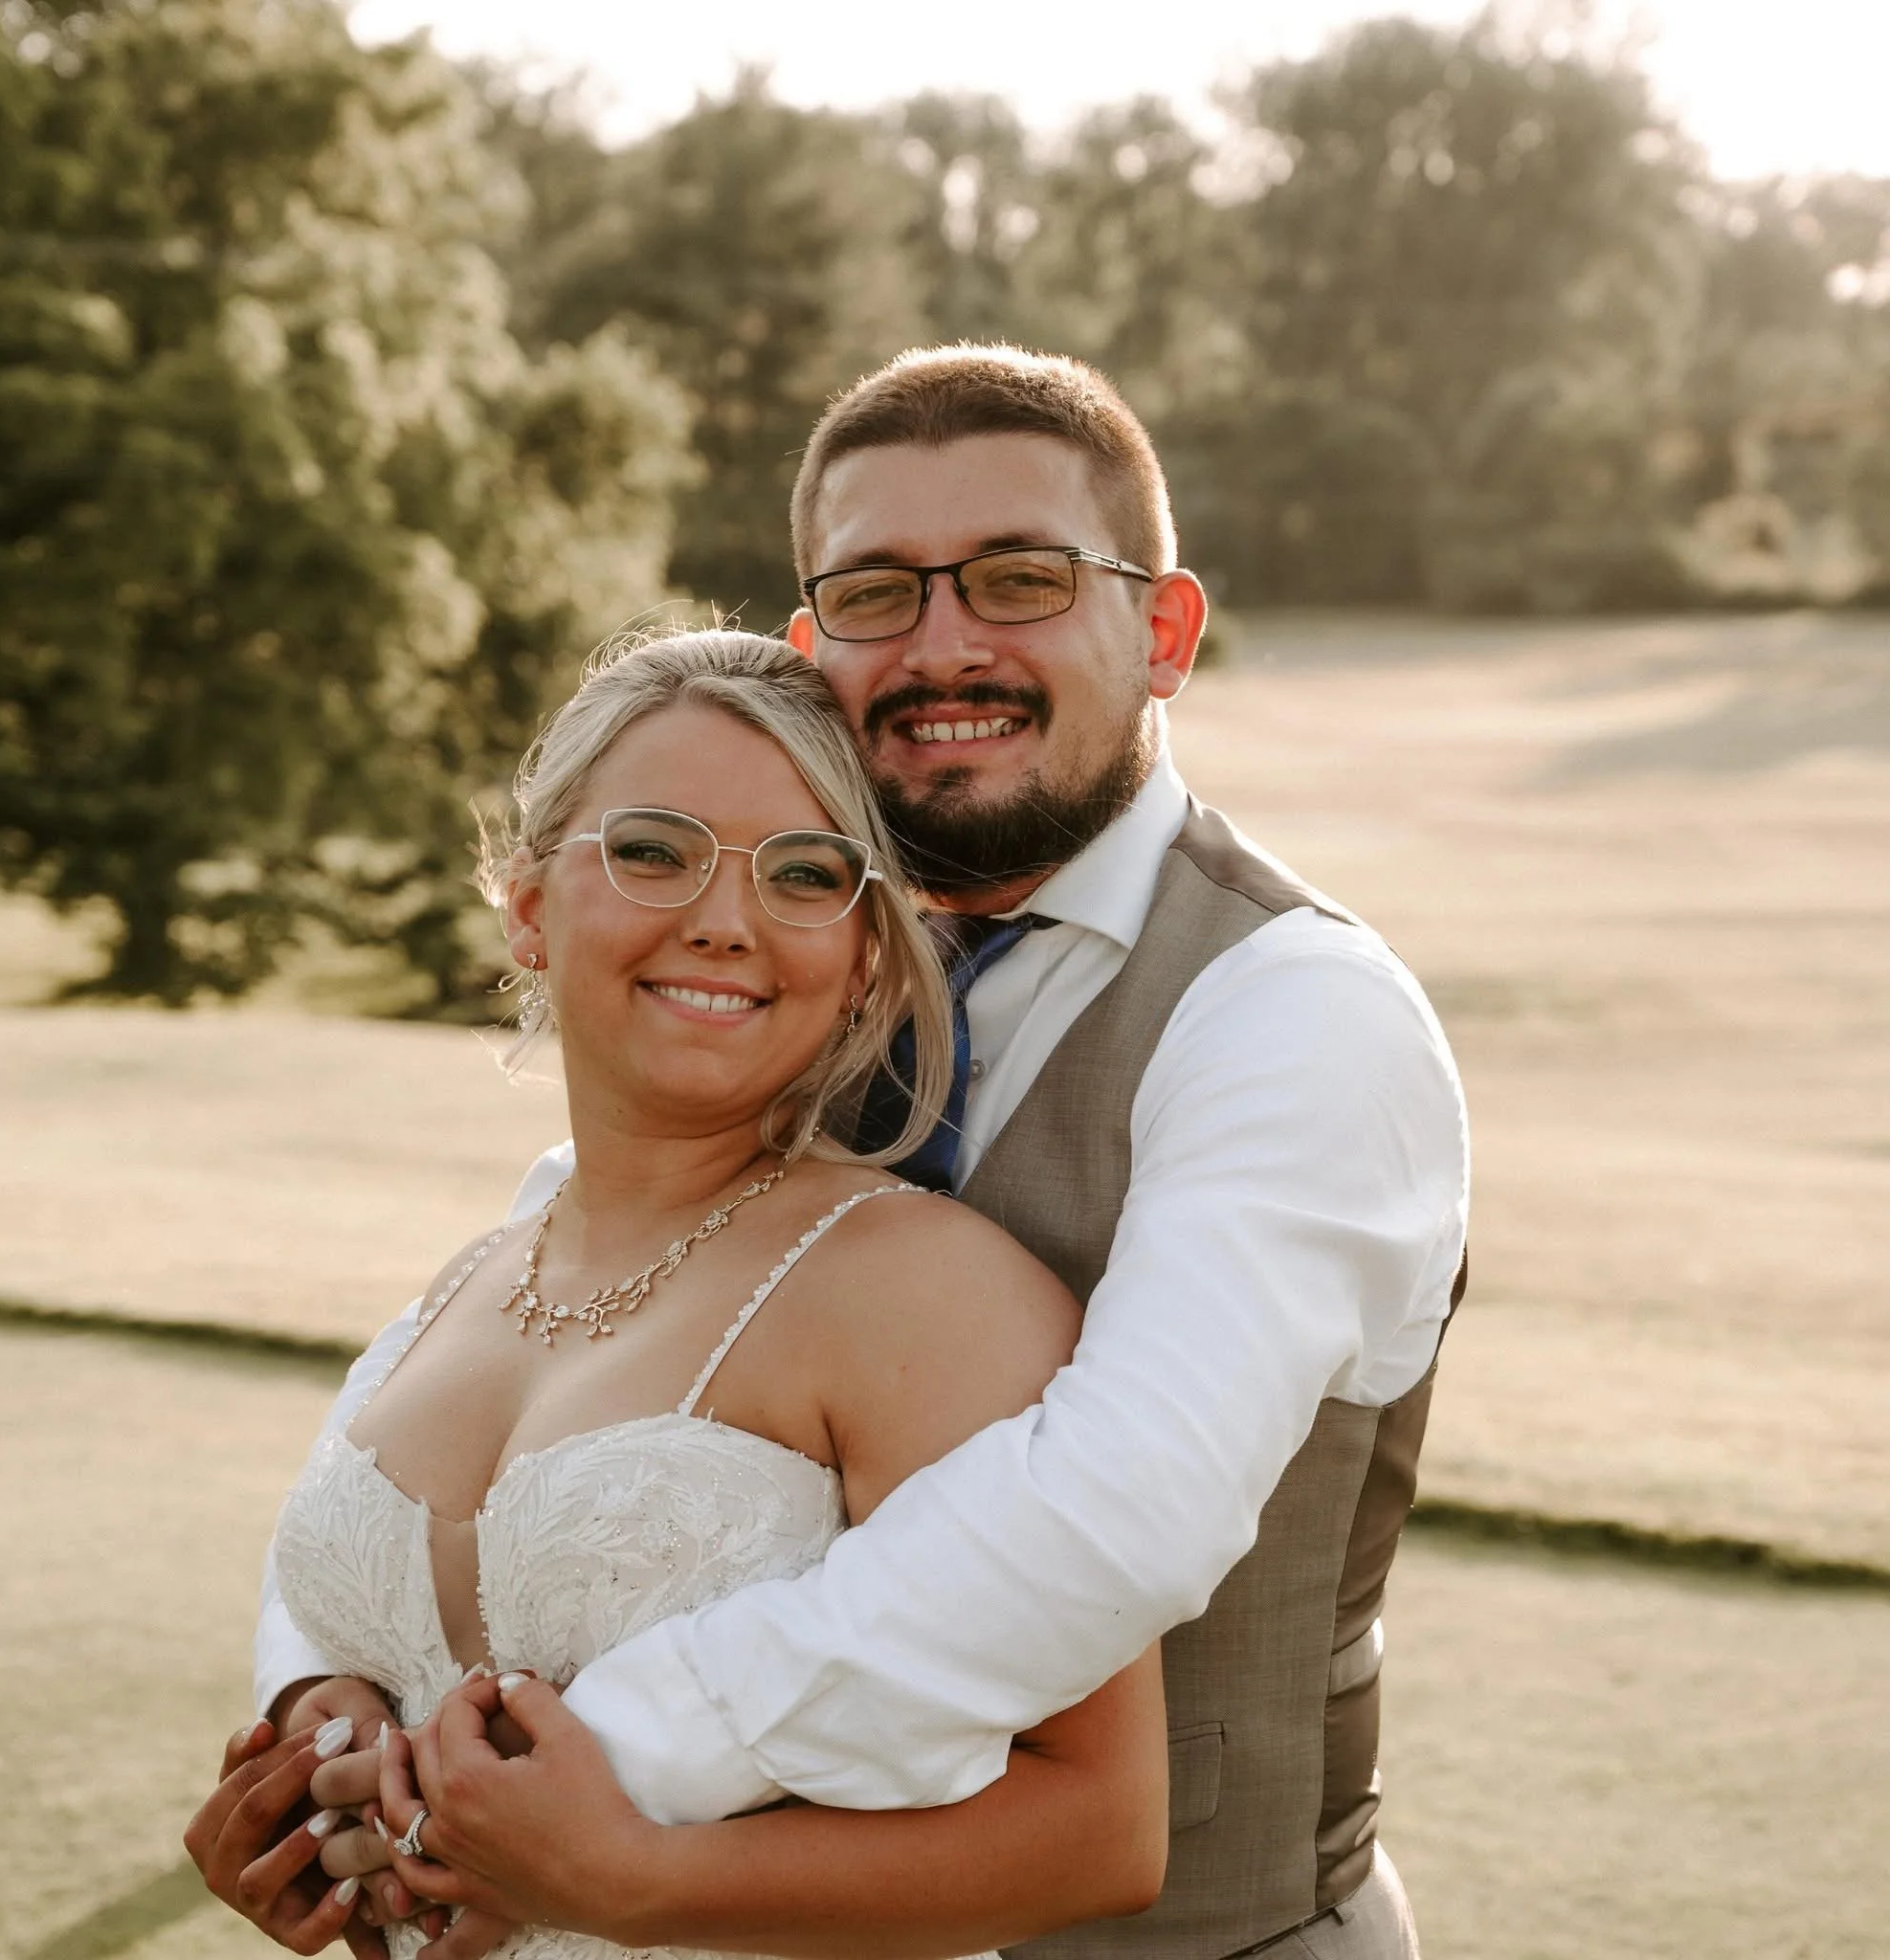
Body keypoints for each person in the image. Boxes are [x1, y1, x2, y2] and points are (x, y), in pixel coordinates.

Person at [219, 344, 1469, 1960]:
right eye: (879, 592)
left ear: (1161, 632)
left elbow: (1111, 1519)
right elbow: (494, 1359)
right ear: (815, 647)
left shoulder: (1291, 1015)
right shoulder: (808, 963)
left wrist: (575, 1774)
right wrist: (322, 1716)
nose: (946, 644)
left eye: (1021, 579)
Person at [185, 630, 1170, 1958]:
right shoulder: (476, 1274)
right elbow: (370, 1662)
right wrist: (318, 1785)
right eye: (654, 850)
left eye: (805, 874)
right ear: (528, 903)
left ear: (870, 958)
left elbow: (1101, 1832)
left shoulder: (922, 1296)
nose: (723, 918)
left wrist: (626, 1884)